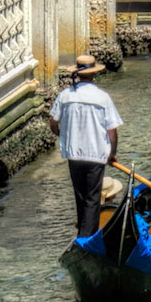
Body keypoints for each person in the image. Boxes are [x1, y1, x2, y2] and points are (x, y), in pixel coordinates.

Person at [49, 55, 121, 237]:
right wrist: (112, 154)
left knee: (80, 195)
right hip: (96, 155)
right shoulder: (102, 98)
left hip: (73, 154)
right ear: (93, 74)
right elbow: (112, 131)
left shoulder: (65, 96)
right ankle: (86, 237)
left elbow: (53, 121)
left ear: (77, 74)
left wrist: (62, 134)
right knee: (92, 198)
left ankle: (81, 231)